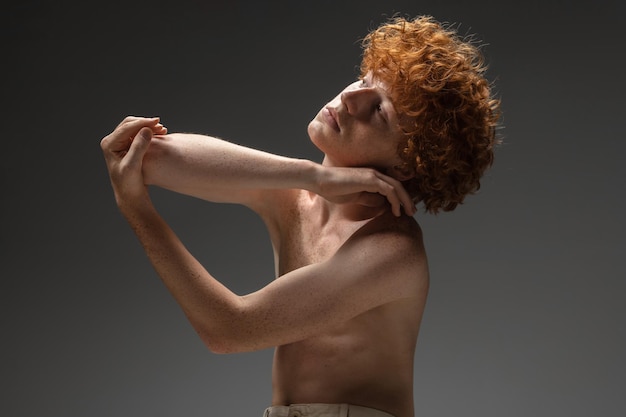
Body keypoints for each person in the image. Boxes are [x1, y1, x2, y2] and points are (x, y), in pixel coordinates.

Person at [100, 15, 500, 417]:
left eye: (380, 111)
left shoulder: (392, 250)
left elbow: (229, 329)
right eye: (365, 81)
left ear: (408, 164)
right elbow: (146, 157)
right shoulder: (297, 197)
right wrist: (311, 175)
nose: (350, 98)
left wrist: (136, 210)